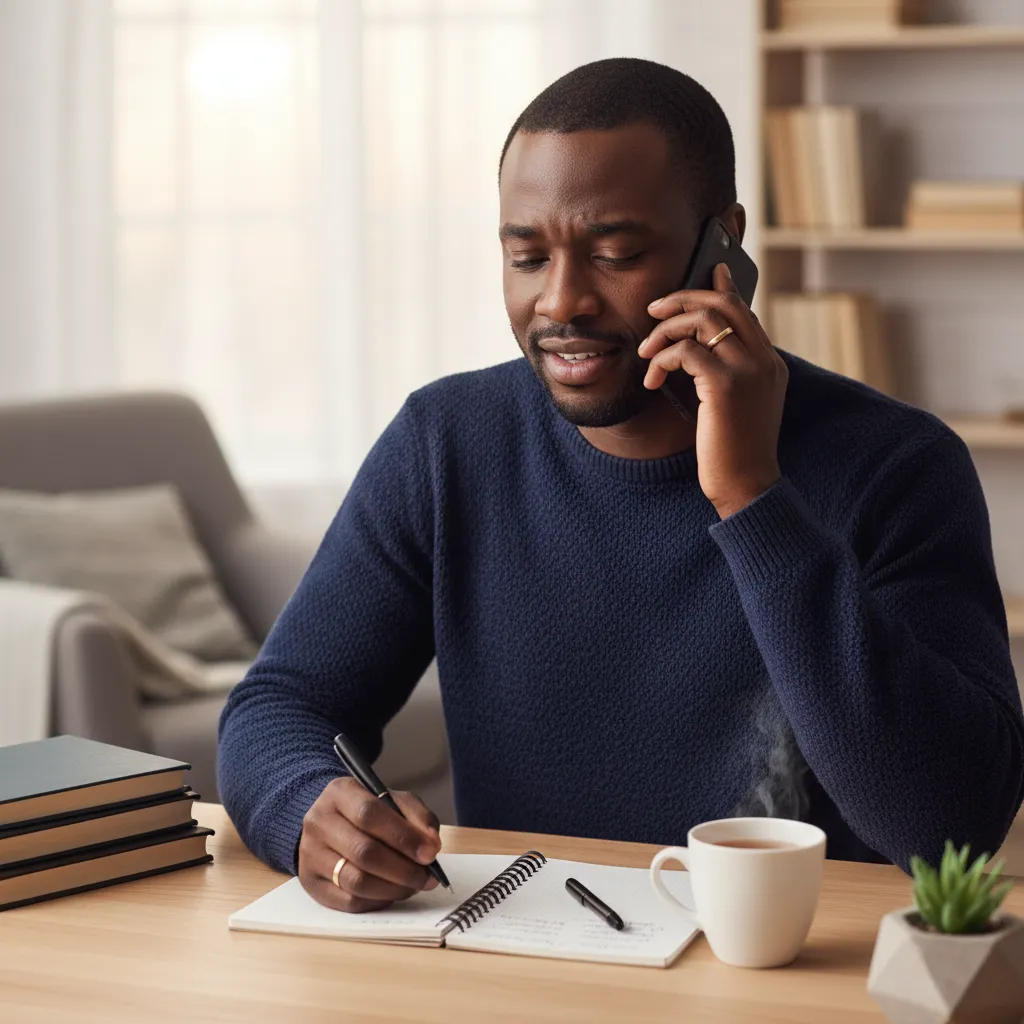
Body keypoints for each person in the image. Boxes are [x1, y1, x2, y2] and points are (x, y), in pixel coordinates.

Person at [217, 57, 1024, 913]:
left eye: (615, 254)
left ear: (722, 243)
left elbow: (949, 828)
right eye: (526, 256)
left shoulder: (894, 465)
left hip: (793, 976)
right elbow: (278, 706)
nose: (561, 301)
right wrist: (309, 808)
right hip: (534, 963)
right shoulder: (448, 442)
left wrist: (753, 497)